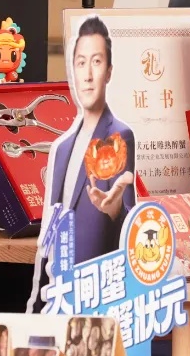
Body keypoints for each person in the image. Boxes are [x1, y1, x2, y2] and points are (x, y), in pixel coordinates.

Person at [47, 16, 136, 264]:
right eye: (81, 63)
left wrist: (115, 210)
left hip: (96, 278)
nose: (87, 75)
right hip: (58, 280)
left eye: (96, 62)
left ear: (108, 72)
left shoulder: (119, 136)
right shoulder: (62, 148)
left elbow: (129, 227)